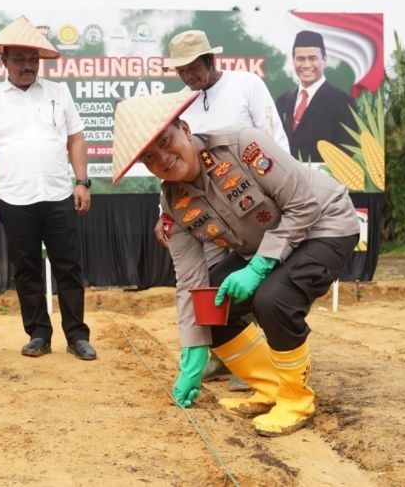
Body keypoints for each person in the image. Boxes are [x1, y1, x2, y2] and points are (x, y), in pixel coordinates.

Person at [111, 92, 359, 436]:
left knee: (273, 299)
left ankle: (296, 399)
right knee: (210, 305)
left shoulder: (242, 146)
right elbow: (190, 281)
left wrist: (258, 268)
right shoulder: (172, 204)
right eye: (151, 158)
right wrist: (194, 346)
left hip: (324, 225)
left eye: (166, 142)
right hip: (273, 247)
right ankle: (271, 388)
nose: (164, 159)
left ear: (184, 127)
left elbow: (303, 205)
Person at [159, 29, 291, 388]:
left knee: (254, 283)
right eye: (181, 71)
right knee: (206, 285)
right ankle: (221, 356)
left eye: (193, 68)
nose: (188, 76)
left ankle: (267, 357)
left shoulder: (246, 85)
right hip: (200, 209)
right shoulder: (180, 103)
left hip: (250, 204)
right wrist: (166, 214)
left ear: (210, 61)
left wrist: (280, 190)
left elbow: (274, 137)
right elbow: (171, 163)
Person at [0, 16, 96, 361]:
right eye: (19, 59)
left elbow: (75, 138)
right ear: (4, 61)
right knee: (26, 270)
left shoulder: (59, 92)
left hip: (58, 196)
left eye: (33, 59)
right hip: (14, 198)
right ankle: (38, 334)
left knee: (68, 267)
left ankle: (77, 336)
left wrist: (82, 182)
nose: (27, 66)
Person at [275, 30, 358, 162]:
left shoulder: (343, 103)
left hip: (324, 180)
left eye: (313, 58)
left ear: (324, 60)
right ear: (293, 61)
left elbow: (348, 153)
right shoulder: (282, 101)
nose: (306, 65)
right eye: (300, 59)